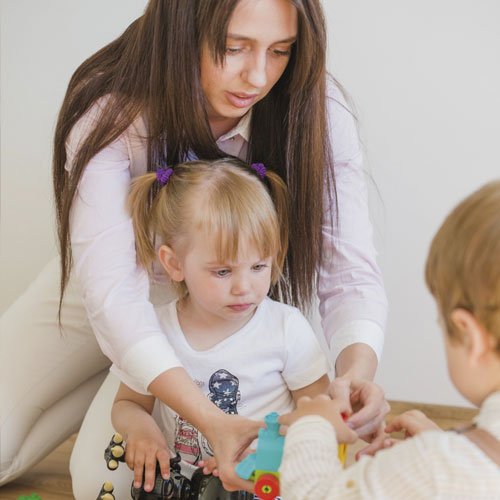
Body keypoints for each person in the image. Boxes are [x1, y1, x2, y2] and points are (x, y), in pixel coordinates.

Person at [0, 0, 388, 494]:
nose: (257, 75)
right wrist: (202, 417)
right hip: (113, 280)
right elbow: (112, 293)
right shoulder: (112, 110)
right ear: (180, 30)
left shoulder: (318, 113)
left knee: (106, 481)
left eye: (280, 51)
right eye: (233, 47)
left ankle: (120, 381)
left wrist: (355, 374)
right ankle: (118, 377)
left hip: (222, 303)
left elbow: (349, 270)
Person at [110, 158, 330, 494]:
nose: (244, 286)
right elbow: (128, 404)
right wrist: (141, 430)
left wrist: (260, 456)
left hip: (265, 483)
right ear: (174, 263)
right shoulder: (155, 330)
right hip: (184, 483)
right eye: (223, 272)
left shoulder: (286, 328)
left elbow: (319, 416)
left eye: (258, 266)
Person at [278, 180, 500, 499]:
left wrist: (313, 428)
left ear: (471, 335)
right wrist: (447, 444)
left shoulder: (432, 468)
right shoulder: (444, 465)